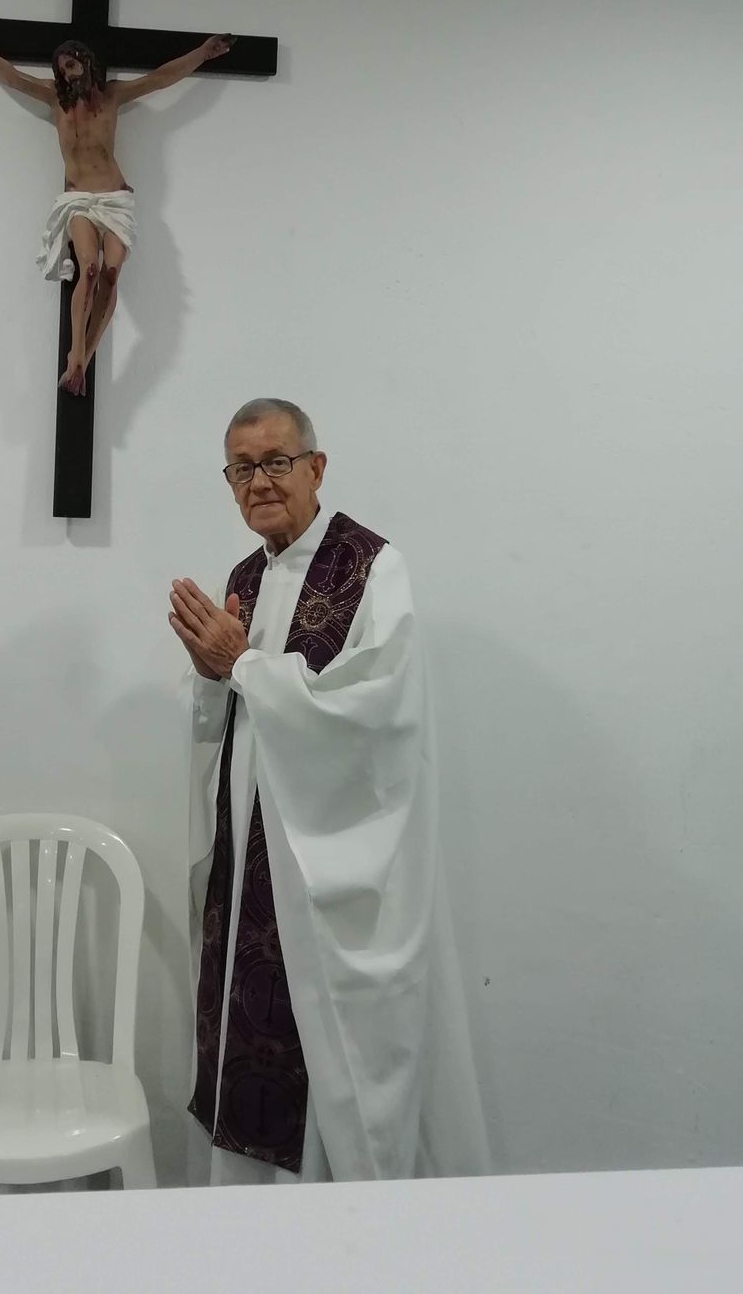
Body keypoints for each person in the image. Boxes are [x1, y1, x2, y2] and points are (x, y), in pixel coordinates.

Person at [168, 398, 490, 1185]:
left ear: (316, 468)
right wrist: (212, 677)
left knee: (328, 1060)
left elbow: (373, 716)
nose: (260, 482)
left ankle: (344, 1231)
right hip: (252, 863)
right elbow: (230, 714)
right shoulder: (245, 578)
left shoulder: (371, 567)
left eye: (277, 462)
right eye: (242, 469)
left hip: (325, 872)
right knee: (246, 1037)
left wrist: (242, 665)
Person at [0, 24, 234, 394]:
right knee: (90, 269)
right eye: (61, 68)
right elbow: (11, 76)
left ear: (87, 62)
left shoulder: (112, 96)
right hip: (78, 198)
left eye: (72, 64)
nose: (67, 73)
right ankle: (75, 354)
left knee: (110, 273)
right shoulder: (55, 99)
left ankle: (84, 358)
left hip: (115, 198)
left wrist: (204, 53)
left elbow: (161, 78)